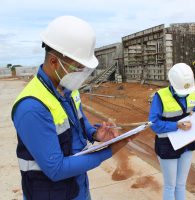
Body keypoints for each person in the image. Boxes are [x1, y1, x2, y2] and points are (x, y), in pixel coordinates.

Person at [11, 16, 128, 200]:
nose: (80, 73)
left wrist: (95, 134)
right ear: (54, 62)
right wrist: (109, 150)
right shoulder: (32, 107)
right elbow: (56, 169)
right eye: (77, 66)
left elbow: (80, 121)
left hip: (77, 188)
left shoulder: (68, 89)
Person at [149, 63, 195, 200]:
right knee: (170, 186)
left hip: (187, 142)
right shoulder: (160, 96)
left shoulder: (190, 92)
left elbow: (193, 111)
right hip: (167, 145)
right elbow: (154, 124)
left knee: (181, 184)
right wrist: (176, 125)